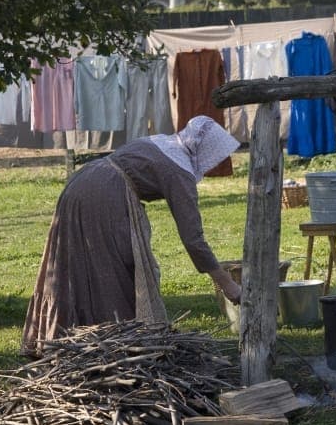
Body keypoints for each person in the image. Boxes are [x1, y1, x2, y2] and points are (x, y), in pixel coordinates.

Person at [22, 116, 242, 356]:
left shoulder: (161, 143)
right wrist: (227, 284)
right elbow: (193, 239)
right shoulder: (179, 171)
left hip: (81, 183)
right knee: (117, 271)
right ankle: (114, 345)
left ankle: (67, 340)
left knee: (77, 266)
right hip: (104, 197)